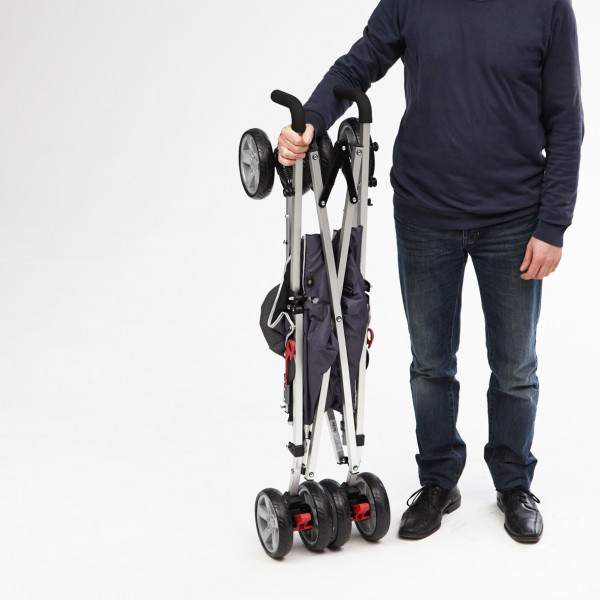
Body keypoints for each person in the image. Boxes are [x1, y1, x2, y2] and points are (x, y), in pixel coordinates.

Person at [277, 0, 583, 543]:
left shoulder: (549, 8)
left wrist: (553, 224)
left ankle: (514, 484)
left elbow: (566, 121)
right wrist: (311, 120)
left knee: (515, 367)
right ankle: (439, 481)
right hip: (425, 212)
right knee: (430, 364)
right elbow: (357, 65)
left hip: (514, 219)